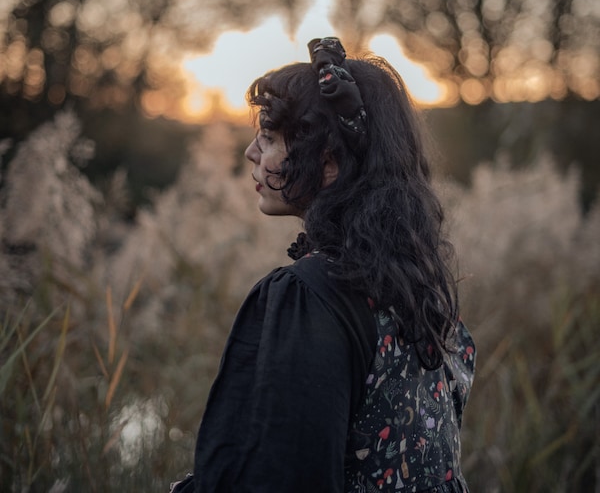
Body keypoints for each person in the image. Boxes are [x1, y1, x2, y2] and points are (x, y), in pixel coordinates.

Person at [170, 37, 475, 493]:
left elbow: (281, 478)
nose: (252, 153)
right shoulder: (421, 292)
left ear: (328, 163)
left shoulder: (310, 298)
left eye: (269, 138)